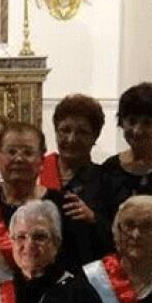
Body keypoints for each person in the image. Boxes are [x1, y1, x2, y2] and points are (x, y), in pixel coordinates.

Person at [0, 121, 106, 275]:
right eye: (11, 152)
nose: (19, 159)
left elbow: (80, 265)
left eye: (27, 153)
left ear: (41, 160)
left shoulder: (66, 206)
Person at [99, 82, 152, 217]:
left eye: (147, 123)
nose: (137, 130)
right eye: (132, 121)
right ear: (122, 121)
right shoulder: (110, 168)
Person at [40, 94, 109, 225]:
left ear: (95, 136)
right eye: (65, 130)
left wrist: (93, 218)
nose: (72, 139)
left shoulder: (105, 180)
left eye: (82, 132)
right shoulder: (37, 171)